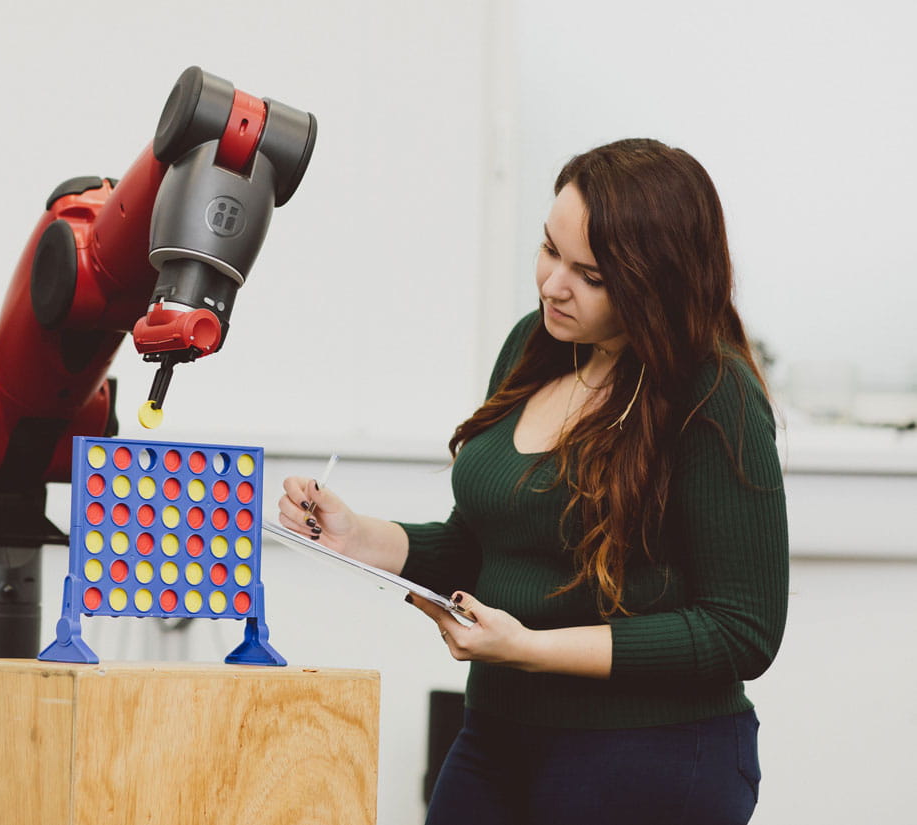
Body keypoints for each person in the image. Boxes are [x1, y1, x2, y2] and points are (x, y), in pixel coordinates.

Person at [277, 138, 787, 824]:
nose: (552, 284)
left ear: (656, 282)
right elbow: (486, 547)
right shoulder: (535, 345)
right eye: (549, 249)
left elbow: (741, 630)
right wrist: (359, 537)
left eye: (591, 275)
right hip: (497, 733)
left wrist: (533, 649)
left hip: (653, 753)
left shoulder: (711, 392)